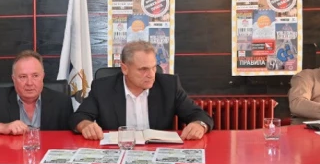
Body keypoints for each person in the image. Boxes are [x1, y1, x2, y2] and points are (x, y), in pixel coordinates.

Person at [70, 41, 213, 140]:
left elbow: (200, 115)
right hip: (117, 153)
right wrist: (86, 125)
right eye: (143, 69)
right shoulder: (103, 88)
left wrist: (199, 125)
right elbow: (79, 117)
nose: (151, 74)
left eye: (153, 67)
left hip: (158, 154)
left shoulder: (169, 86)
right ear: (125, 69)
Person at [0, 50, 73, 135]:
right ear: (13, 79)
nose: (29, 83)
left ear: (43, 76)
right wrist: (1, 127)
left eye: (35, 76)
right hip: (10, 157)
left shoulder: (62, 102)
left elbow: (71, 137)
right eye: (23, 77)